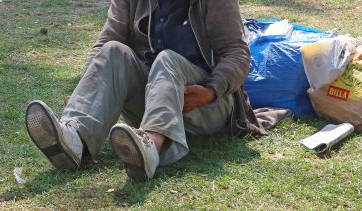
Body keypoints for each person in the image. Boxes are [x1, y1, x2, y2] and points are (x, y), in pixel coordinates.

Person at [25, 0, 288, 181]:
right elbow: (106, 41)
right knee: (113, 51)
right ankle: (75, 141)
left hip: (208, 104)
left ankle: (151, 146)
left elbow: (236, 53)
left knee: (167, 59)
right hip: (157, 98)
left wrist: (210, 91)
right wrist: (87, 89)